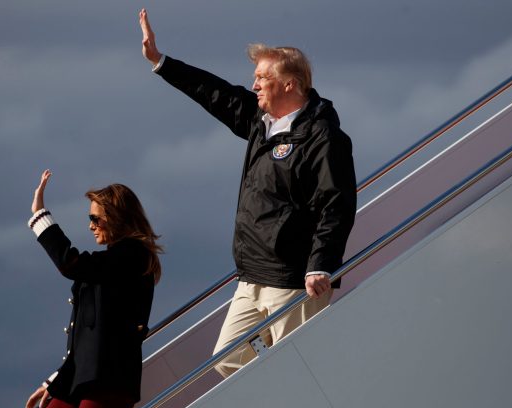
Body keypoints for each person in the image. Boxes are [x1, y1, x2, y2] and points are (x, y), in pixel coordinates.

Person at [139, 9, 356, 378]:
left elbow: (336, 203)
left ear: (290, 84)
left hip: (293, 276)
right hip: (251, 274)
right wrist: (162, 62)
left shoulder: (323, 136)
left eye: (262, 78)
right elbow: (216, 93)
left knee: (300, 368)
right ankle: (274, 406)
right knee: (226, 358)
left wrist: (321, 263)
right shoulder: (261, 123)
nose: (254, 85)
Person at [23, 169, 162, 408]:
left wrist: (40, 215)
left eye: (95, 218)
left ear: (116, 217)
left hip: (108, 383)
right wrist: (57, 380)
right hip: (81, 380)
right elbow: (91, 334)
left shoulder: (133, 256)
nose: (90, 225)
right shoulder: (111, 263)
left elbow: (71, 264)